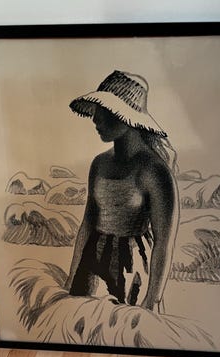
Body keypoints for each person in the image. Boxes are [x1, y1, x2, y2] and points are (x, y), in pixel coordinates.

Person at [65, 70, 179, 312]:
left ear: (126, 117)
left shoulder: (155, 171)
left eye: (105, 112)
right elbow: (87, 223)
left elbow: (163, 242)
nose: (96, 119)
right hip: (92, 266)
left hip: (131, 271)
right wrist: (71, 278)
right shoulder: (99, 164)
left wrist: (152, 301)